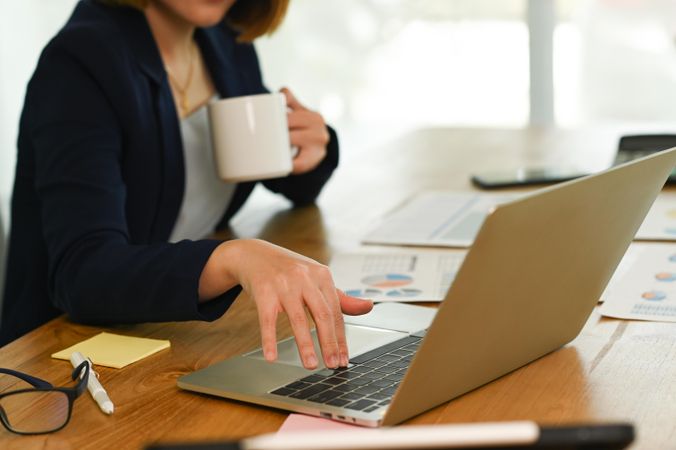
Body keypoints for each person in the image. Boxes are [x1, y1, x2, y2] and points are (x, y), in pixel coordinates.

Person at [0, 0, 373, 370]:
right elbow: (84, 273)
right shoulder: (80, 60)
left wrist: (312, 147)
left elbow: (276, 172)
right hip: (60, 362)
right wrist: (231, 257)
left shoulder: (224, 39)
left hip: (164, 333)